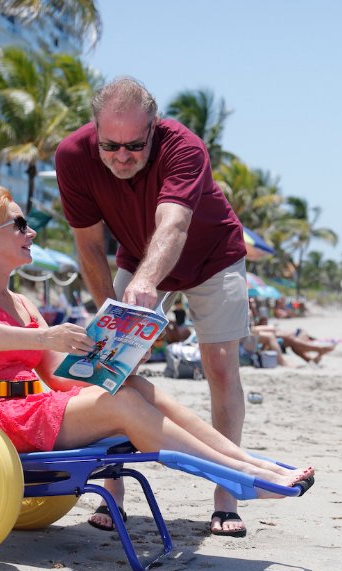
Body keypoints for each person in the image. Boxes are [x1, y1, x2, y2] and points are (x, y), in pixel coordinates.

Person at [0, 186, 313, 517]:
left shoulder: (21, 302)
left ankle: (251, 464)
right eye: (20, 225)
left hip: (28, 410)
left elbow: (59, 376)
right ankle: (238, 477)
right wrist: (45, 339)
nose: (32, 233)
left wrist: (109, 358)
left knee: (135, 386)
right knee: (122, 405)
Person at [55, 76, 253, 537]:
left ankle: (225, 494)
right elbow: (88, 245)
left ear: (154, 127)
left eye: (134, 146)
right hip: (137, 254)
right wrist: (111, 310)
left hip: (213, 256)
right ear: (94, 130)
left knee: (222, 368)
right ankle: (112, 489)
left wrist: (145, 283)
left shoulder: (184, 147)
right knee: (112, 364)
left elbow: (173, 226)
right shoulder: (72, 156)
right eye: (110, 146)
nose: (122, 156)